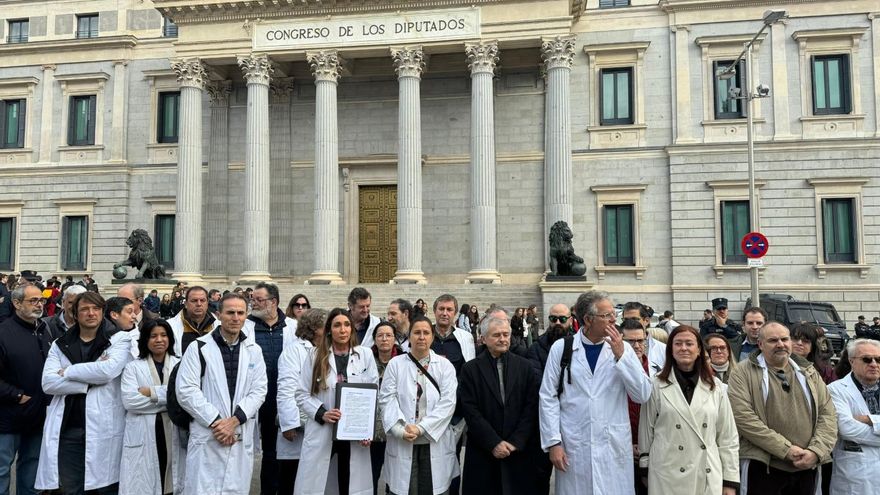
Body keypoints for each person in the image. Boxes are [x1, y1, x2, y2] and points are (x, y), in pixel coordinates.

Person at [539, 290, 652, 495]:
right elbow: (548, 397)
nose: (613, 319)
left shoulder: (623, 348)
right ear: (588, 319)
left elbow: (642, 394)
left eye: (613, 314)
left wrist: (621, 358)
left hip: (613, 444)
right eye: (606, 315)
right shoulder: (561, 348)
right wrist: (554, 442)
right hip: (574, 444)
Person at [36, 291, 134, 494]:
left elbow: (107, 372)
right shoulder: (60, 344)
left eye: (96, 309)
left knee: (106, 488)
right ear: (74, 313)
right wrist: (87, 383)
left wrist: (69, 372)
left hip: (104, 427)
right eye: (84, 309)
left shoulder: (119, 339)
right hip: (69, 429)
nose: (91, 313)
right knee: (72, 489)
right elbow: (48, 383)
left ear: (103, 312)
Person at [727, 321, 837, 494]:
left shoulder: (808, 371)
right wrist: (786, 450)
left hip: (807, 466)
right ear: (760, 344)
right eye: (773, 340)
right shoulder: (742, 373)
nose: (781, 344)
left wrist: (816, 451)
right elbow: (743, 418)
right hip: (764, 467)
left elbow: (828, 414)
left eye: (785, 339)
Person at [176, 293, 268, 495]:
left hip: (238, 432)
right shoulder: (198, 348)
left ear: (247, 315)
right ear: (218, 314)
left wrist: (234, 421)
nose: (235, 318)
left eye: (240, 313)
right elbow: (186, 391)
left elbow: (259, 390)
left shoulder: (254, 350)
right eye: (230, 312)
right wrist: (218, 423)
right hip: (209, 434)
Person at [638, 325, 739, 495]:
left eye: (689, 343)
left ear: (699, 349)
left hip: (706, 471)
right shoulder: (655, 385)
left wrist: (730, 480)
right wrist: (645, 468)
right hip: (666, 474)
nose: (683, 348)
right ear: (670, 349)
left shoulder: (716, 387)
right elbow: (646, 432)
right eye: (678, 344)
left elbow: (727, 437)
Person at [294, 308, 378, 495]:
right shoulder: (316, 356)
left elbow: (373, 394)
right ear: (329, 330)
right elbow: (301, 394)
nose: (343, 329)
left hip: (354, 433)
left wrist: (367, 430)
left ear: (352, 329)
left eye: (347, 324)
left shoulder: (365, 355)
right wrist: (322, 413)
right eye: (337, 325)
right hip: (323, 429)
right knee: (316, 484)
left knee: (349, 482)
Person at [458, 313, 538, 495]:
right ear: (483, 339)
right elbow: (470, 411)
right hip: (483, 450)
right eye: (496, 335)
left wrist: (516, 441)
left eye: (505, 334)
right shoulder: (470, 369)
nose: (502, 339)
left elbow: (530, 407)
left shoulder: (525, 367)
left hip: (517, 450)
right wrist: (494, 443)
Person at [379, 316, 459, 495]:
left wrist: (421, 428)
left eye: (426, 333)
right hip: (404, 438)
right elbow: (386, 399)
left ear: (432, 337)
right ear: (409, 336)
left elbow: (448, 403)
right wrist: (400, 429)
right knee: (403, 489)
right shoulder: (395, 364)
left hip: (433, 438)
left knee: (432, 489)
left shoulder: (445, 366)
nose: (421, 337)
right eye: (417, 332)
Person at [245, 282, 298, 495]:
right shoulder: (246, 327)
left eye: (259, 300)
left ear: (273, 302)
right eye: (252, 299)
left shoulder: (293, 327)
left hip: (286, 399)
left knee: (287, 452)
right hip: (259, 401)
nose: (253, 303)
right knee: (267, 452)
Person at [0, 284, 52, 495]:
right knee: (2, 470)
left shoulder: (44, 329)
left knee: (31, 471)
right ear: (16, 303)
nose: (39, 305)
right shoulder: (3, 332)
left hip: (38, 415)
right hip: (8, 416)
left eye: (42, 300)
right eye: (34, 301)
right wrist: (17, 395)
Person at [119, 320, 180, 495]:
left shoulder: (180, 364)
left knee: (172, 480)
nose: (159, 340)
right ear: (145, 340)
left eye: (163, 335)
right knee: (145, 482)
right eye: (153, 336)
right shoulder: (132, 368)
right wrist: (169, 402)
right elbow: (130, 402)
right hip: (144, 432)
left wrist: (151, 392)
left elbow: (184, 398)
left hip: (173, 430)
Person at [276, 308, 328, 495]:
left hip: (319, 424)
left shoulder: (326, 350)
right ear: (314, 328)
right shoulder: (294, 352)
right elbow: (286, 389)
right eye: (326, 326)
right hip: (297, 429)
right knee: (291, 480)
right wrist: (289, 424)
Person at [524, 303, 573, 495]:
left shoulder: (578, 345)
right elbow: (540, 386)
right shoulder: (535, 349)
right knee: (539, 478)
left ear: (570, 320)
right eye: (553, 319)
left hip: (572, 422)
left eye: (562, 319)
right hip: (542, 424)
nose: (558, 323)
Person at [827, 338, 880, 494]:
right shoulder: (835, 390)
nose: (874, 364)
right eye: (866, 359)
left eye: (878, 359)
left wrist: (869, 420)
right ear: (851, 361)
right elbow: (847, 429)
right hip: (855, 477)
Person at [370, 321, 403, 494]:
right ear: (374, 339)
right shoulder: (364, 360)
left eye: (388, 335)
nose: (384, 339)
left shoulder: (404, 360)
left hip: (396, 430)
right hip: (371, 433)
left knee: (396, 477)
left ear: (395, 339)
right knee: (371, 476)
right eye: (380, 335)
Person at [619, 318, 651, 495]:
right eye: (631, 341)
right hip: (623, 448)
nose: (637, 345)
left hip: (653, 450)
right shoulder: (613, 368)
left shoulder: (658, 369)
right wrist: (628, 443)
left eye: (640, 340)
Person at [168, 286, 218, 355]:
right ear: (185, 304)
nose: (199, 304)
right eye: (194, 301)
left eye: (202, 300)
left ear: (207, 303)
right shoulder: (170, 326)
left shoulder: (219, 325)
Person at [622, 302, 666, 376]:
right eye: (626, 320)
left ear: (646, 321)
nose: (629, 323)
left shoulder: (663, 349)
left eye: (634, 319)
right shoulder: (613, 348)